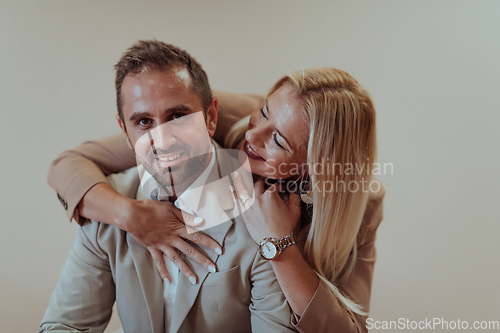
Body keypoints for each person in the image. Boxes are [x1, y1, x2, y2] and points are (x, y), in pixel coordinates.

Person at [47, 50, 385, 332]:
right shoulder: (221, 121)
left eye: (278, 140)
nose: (252, 138)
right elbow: (69, 164)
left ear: (316, 166)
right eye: (263, 113)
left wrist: (279, 246)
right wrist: (131, 216)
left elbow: (348, 328)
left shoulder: (359, 204)